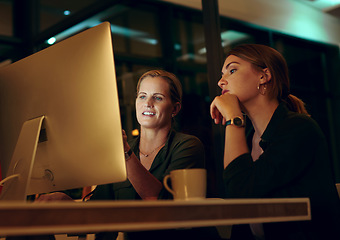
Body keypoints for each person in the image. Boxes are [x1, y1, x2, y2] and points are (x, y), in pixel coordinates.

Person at [210, 44, 340, 240]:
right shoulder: (249, 138)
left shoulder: (299, 128)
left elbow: (241, 193)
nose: (221, 81)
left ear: (264, 76)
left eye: (232, 70)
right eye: (222, 74)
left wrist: (233, 118)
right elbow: (240, 210)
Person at [91, 70, 220, 240]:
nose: (148, 103)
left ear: (175, 108)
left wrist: (125, 153)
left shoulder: (188, 145)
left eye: (158, 97)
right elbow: (98, 209)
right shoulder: (123, 150)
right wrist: (65, 201)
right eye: (142, 96)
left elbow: (160, 202)